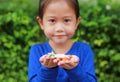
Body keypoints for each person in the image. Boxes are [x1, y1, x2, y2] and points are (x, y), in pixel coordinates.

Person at [28, 0, 97, 82]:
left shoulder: (84, 50)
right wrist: (48, 69)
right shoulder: (37, 51)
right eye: (52, 20)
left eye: (67, 20)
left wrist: (74, 69)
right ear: (41, 23)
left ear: (76, 22)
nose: (59, 28)